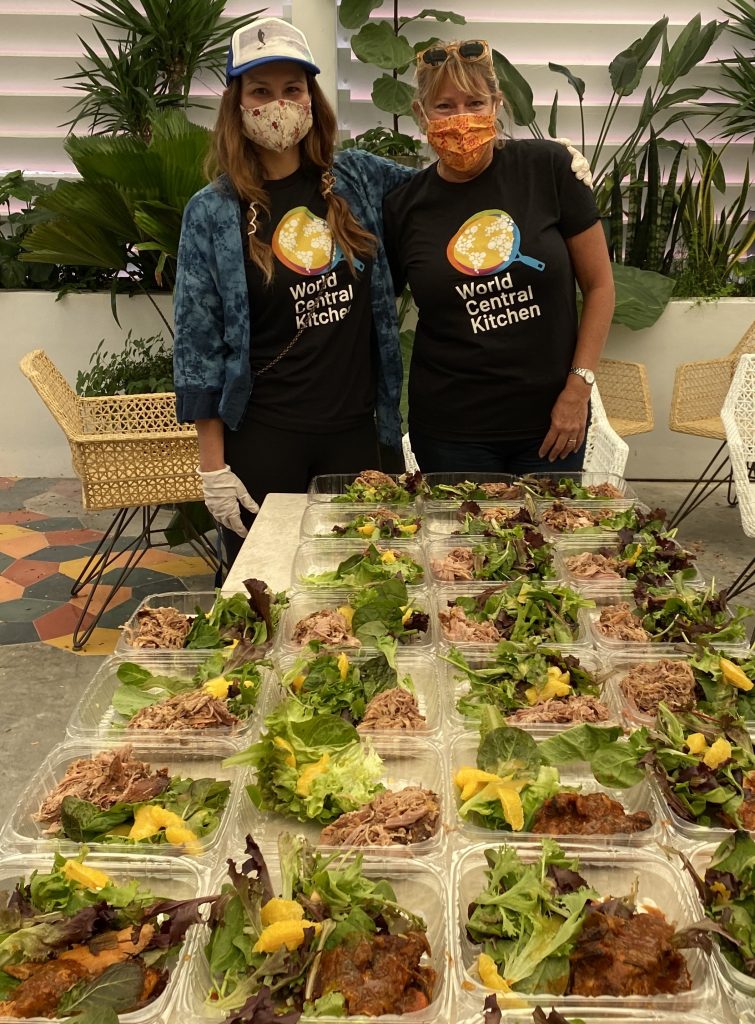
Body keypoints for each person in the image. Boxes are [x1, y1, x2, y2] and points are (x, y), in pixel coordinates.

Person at [173, 17, 412, 563]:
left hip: (355, 435)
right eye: (260, 91)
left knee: (358, 582)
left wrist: (540, 164)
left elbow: (446, 189)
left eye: (291, 89)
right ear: (237, 104)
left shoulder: (357, 179)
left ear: (311, 98)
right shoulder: (212, 211)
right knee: (262, 586)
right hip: (265, 437)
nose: (277, 103)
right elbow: (197, 347)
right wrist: (212, 467)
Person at [382, 39, 615, 474]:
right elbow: (382, 307)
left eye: (475, 102)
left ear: (497, 105)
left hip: (551, 423)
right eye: (444, 106)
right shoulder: (403, 207)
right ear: (420, 114)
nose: (461, 119)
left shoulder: (549, 168)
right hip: (450, 431)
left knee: (550, 538)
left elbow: (600, 287)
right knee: (458, 542)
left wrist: (578, 389)